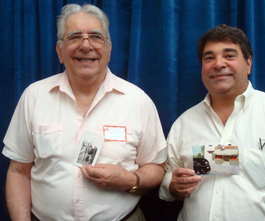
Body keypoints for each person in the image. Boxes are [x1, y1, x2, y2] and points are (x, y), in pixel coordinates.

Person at [3, 4, 167, 221]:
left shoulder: (138, 101)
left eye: (96, 37)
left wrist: (130, 179)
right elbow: (18, 172)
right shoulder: (34, 96)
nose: (86, 45)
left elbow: (156, 166)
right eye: (74, 37)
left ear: (109, 50)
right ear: (60, 51)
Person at [159, 24, 265, 220]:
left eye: (229, 55)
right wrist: (172, 185)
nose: (218, 64)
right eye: (209, 58)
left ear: (249, 63)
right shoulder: (184, 123)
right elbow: (168, 179)